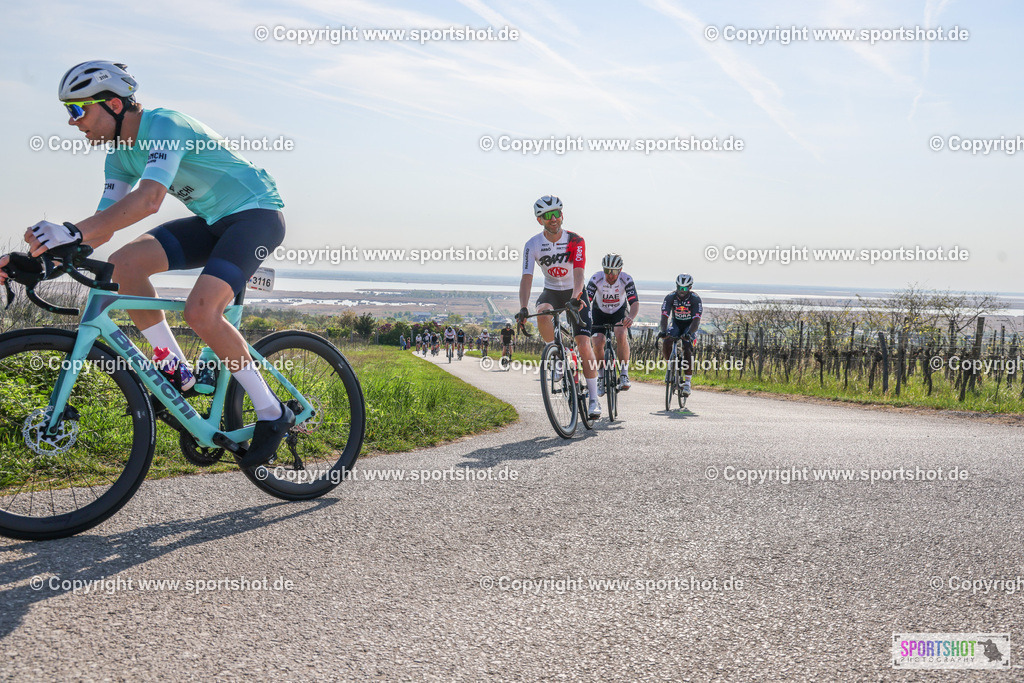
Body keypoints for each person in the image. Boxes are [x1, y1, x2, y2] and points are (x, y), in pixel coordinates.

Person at [0, 61, 291, 467]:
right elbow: (100, 230)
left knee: (201, 311)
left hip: (255, 216)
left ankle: (273, 413)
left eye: (78, 110)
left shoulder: (165, 124)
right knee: (124, 265)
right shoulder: (120, 159)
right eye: (69, 112)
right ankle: (176, 370)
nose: (73, 122)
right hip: (212, 222)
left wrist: (71, 231)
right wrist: (41, 262)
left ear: (114, 104)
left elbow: (150, 199)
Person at [515, 195, 600, 419]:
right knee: (542, 311)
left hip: (575, 291)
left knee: (583, 344)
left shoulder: (575, 239)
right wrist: (523, 307)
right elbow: (526, 277)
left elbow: (580, 272)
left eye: (557, 214)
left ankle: (593, 400)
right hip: (551, 291)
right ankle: (556, 355)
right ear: (539, 220)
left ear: (562, 215)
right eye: (547, 216)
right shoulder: (532, 244)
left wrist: (576, 296)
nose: (553, 219)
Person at [587, 253, 639, 393]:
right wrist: (585, 318)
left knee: (621, 333)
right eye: (607, 271)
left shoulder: (626, 279)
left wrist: (631, 317)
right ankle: (601, 377)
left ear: (620, 270)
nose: (610, 275)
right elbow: (587, 301)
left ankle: (623, 374)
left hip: (618, 312)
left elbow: (634, 302)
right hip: (599, 312)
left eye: (614, 271)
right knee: (597, 341)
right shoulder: (596, 278)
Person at [659, 274, 703, 398]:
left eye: (684, 289)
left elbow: (696, 320)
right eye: (679, 288)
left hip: (690, 325)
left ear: (690, 287)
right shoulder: (670, 297)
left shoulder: (695, 299)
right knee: (667, 340)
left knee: (687, 348)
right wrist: (663, 331)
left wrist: (689, 334)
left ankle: (687, 383)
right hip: (676, 323)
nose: (681, 291)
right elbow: (664, 316)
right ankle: (670, 366)